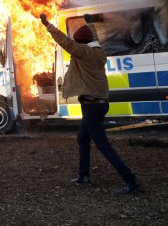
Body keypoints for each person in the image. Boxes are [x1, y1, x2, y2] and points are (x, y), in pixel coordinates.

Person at [40, 13, 143, 195]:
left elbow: (65, 42)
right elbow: (93, 36)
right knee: (83, 137)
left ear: (82, 44)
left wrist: (48, 25)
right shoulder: (98, 50)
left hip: (91, 106)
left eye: (79, 43)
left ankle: (130, 179)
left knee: (102, 144)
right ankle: (84, 176)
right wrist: (89, 23)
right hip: (99, 103)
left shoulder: (84, 53)